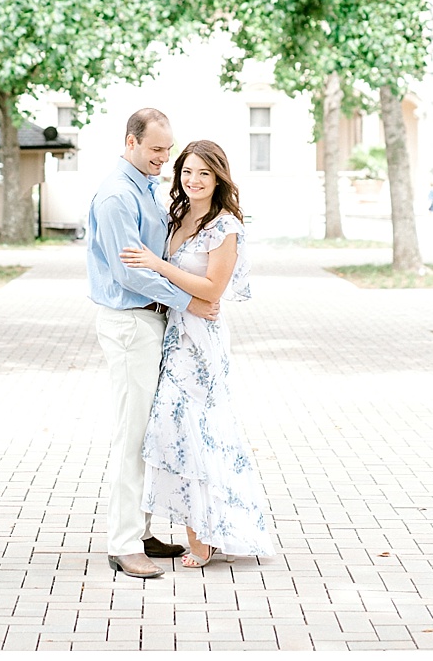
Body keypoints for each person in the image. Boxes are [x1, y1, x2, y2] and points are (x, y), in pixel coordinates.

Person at [120, 139, 276, 567]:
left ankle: (204, 539)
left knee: (198, 431)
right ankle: (202, 529)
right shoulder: (180, 214)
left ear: (218, 178)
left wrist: (158, 265)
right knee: (173, 431)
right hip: (174, 334)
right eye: (187, 172)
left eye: (204, 173)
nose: (193, 180)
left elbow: (212, 290)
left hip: (201, 341)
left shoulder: (226, 227)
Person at [88, 107, 220, 580]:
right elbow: (129, 272)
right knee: (133, 436)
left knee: (150, 433)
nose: (165, 159)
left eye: (168, 149)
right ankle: (124, 544)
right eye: (156, 150)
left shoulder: (144, 187)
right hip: (129, 324)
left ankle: (141, 530)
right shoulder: (117, 197)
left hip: (151, 324)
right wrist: (187, 300)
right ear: (130, 143)